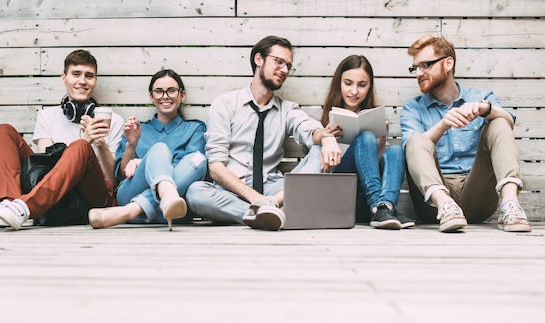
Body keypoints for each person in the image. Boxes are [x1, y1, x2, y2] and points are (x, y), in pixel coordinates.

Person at [186, 35, 340, 231]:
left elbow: (308, 128)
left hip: (275, 190)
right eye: (278, 62)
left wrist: (327, 138)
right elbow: (216, 167)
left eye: (288, 66)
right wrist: (257, 200)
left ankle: (269, 211)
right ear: (259, 60)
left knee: (322, 151)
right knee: (195, 193)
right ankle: (271, 214)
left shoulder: (287, 110)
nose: (284, 70)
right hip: (234, 191)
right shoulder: (225, 104)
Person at [0, 49, 124, 230]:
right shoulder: (47, 116)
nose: (82, 81)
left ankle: (24, 207)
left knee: (81, 146)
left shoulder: (114, 120)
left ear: (95, 81)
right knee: (2, 131)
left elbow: (112, 182)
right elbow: (43, 167)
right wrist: (82, 141)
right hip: (54, 194)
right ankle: (8, 205)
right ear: (63, 77)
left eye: (89, 76)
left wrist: (97, 142)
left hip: (92, 199)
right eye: (76, 74)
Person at [400, 35, 531, 233]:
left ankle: (511, 205)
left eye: (425, 65)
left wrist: (484, 109)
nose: (418, 73)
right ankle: (446, 205)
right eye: (415, 68)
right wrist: (443, 124)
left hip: (478, 194)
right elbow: (412, 149)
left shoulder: (481, 97)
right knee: (415, 140)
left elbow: (509, 122)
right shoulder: (413, 108)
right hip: (434, 205)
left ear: (448, 63)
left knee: (499, 121)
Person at [87, 69, 207, 231]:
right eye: (158, 92)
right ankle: (165, 194)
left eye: (171, 91)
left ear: (182, 95)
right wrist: (131, 144)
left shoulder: (195, 128)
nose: (165, 96)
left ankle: (132, 211)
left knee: (199, 160)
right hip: (131, 195)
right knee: (159, 149)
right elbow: (122, 175)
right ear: (151, 97)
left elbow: (192, 170)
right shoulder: (136, 129)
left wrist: (142, 161)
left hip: (174, 209)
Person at [319, 55, 414, 230]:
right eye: (348, 83)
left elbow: (373, 165)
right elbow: (318, 172)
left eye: (362, 85)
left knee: (395, 151)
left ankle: (384, 207)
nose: (354, 91)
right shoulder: (322, 124)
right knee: (365, 136)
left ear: (369, 87)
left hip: (364, 198)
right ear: (338, 83)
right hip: (341, 199)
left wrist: (382, 138)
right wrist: (326, 138)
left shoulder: (371, 116)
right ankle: (380, 207)